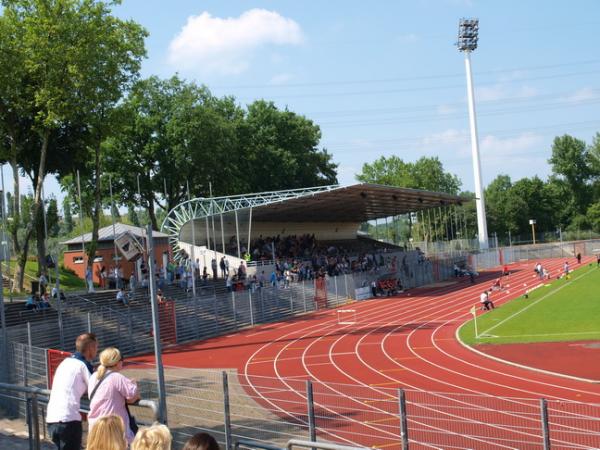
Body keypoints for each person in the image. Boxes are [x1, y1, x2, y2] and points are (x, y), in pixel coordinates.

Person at [46, 333, 98, 450]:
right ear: (90, 348)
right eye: (96, 347)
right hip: (68, 420)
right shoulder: (84, 365)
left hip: (52, 418)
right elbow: (96, 389)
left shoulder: (65, 362)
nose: (97, 350)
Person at [88, 347, 140, 445]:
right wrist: (135, 385)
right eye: (121, 360)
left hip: (96, 428)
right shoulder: (117, 377)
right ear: (117, 362)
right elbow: (132, 397)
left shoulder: (93, 377)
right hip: (113, 429)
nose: (122, 362)